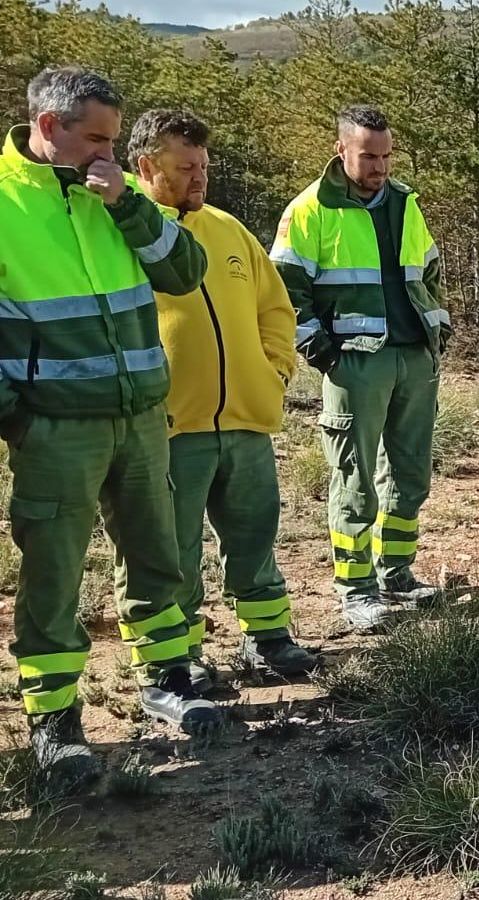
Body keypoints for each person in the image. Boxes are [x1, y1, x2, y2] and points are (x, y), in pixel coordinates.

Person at [1, 66, 218, 784]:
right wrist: (19, 418)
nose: (108, 154)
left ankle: (167, 678)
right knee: (56, 572)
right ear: (46, 128)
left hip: (138, 414)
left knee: (157, 550)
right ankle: (55, 720)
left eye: (115, 142)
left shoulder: (114, 194)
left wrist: (128, 204)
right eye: (95, 138)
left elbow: (184, 271)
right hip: (56, 428)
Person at [129, 109, 318, 689]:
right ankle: (178, 661)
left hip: (244, 420)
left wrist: (273, 371)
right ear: (145, 166)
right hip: (170, 428)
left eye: (203, 166)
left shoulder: (229, 230)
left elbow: (274, 309)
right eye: (185, 167)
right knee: (174, 551)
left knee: (255, 534)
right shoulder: (123, 234)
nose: (198, 177)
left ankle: (268, 640)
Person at [272, 105, 451, 634]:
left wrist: (438, 326)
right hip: (355, 362)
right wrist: (320, 350)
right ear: (341, 150)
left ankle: (396, 571)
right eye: (368, 155)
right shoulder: (311, 208)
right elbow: (284, 288)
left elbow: (430, 270)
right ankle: (355, 589)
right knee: (354, 477)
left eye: (386, 155)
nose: (379, 166)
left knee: (411, 470)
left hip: (413, 355)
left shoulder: (404, 202)